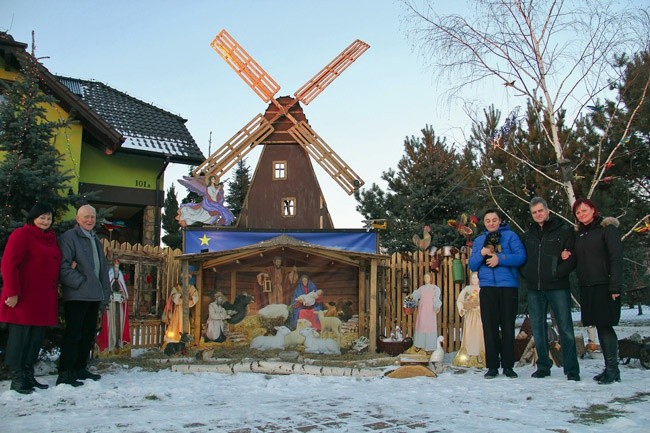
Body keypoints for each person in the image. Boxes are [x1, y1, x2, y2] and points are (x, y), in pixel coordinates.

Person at [0, 203, 62, 394]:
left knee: (35, 339)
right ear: (33, 218)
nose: (45, 221)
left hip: (42, 299)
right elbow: (9, 265)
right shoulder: (21, 235)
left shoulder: (51, 239)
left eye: (49, 218)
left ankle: (28, 374)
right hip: (23, 298)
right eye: (42, 217)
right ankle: (17, 378)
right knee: (20, 339)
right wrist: (12, 292)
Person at [521, 197, 580, 381]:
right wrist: (528, 274)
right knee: (538, 329)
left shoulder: (563, 231)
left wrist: (557, 273)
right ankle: (543, 366)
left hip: (557, 287)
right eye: (534, 212)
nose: (538, 214)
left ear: (547, 211)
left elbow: (571, 257)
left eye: (540, 210)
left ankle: (571, 369)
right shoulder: (528, 235)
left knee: (565, 328)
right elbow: (522, 260)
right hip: (535, 289)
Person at [567, 198, 623, 385]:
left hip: (605, 285)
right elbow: (578, 259)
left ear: (593, 209)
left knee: (605, 325)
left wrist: (615, 286)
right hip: (588, 286)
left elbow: (616, 258)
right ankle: (609, 368)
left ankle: (613, 369)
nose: (581, 215)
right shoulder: (580, 234)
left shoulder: (607, 229)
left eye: (584, 210)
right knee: (599, 326)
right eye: (578, 213)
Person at [57, 204, 111, 387]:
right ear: (78, 219)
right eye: (86, 217)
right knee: (74, 334)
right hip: (77, 295)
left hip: (94, 296)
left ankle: (80, 367)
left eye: (92, 217)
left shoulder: (95, 239)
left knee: (88, 334)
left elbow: (102, 269)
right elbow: (63, 268)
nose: (89, 220)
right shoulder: (69, 238)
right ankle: (65, 372)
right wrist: (81, 283)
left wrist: (104, 293)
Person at [469, 209, 526, 379]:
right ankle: (492, 366)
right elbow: (472, 265)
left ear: (500, 221)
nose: (491, 223)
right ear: (484, 223)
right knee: (490, 327)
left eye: (494, 220)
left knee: (508, 327)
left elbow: (521, 257)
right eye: (488, 220)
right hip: (487, 288)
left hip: (508, 286)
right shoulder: (479, 241)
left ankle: (508, 366)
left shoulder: (510, 236)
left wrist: (499, 259)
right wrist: (482, 253)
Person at [96, 258, 130, 353]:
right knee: (110, 324)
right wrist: (109, 296)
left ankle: (118, 343)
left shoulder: (120, 276)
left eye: (117, 265)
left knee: (119, 324)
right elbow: (107, 289)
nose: (116, 266)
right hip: (110, 306)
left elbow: (124, 291)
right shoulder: (109, 275)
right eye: (115, 264)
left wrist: (122, 297)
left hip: (119, 306)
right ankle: (110, 342)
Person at [452, 272, 485, 368]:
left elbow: (487, 301)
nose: (474, 279)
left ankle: (480, 355)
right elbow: (460, 300)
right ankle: (468, 355)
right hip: (470, 316)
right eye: (473, 278)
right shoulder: (467, 289)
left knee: (479, 334)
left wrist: (479, 307)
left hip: (479, 316)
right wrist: (463, 308)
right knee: (469, 334)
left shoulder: (482, 289)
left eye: (476, 278)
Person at [411, 272, 442, 352]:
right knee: (421, 326)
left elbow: (436, 299)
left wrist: (436, 306)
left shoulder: (434, 288)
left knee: (430, 327)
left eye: (428, 277)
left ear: (431, 278)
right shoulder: (421, 288)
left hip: (430, 310)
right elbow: (415, 296)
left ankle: (430, 347)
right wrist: (412, 301)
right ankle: (419, 345)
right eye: (425, 277)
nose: (426, 279)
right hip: (422, 310)